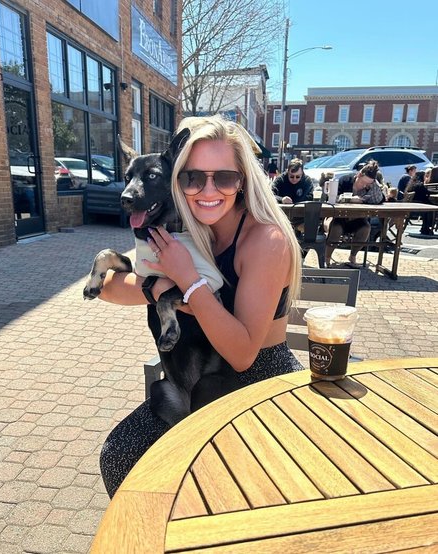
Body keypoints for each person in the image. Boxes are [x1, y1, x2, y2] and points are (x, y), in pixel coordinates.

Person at [97, 115, 304, 498]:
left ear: (242, 180)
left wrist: (187, 280)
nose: (208, 190)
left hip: (259, 382)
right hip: (191, 381)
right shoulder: (186, 229)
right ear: (178, 181)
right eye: (193, 178)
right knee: (119, 455)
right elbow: (109, 288)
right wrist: (162, 285)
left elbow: (242, 354)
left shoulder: (265, 240)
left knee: (208, 489)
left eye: (223, 177)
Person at [325, 160, 385, 268]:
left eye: (368, 184)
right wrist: (350, 199)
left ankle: (353, 256)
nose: (364, 186)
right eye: (363, 182)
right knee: (335, 229)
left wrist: (374, 184)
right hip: (340, 217)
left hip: (358, 218)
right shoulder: (345, 180)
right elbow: (333, 198)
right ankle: (327, 258)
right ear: (359, 175)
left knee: (366, 228)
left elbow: (379, 200)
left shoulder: (370, 187)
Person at [405, 169, 435, 235]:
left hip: (411, 206)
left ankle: (424, 227)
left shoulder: (411, 185)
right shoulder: (420, 185)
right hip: (417, 208)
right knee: (431, 209)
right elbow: (426, 193)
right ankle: (426, 228)